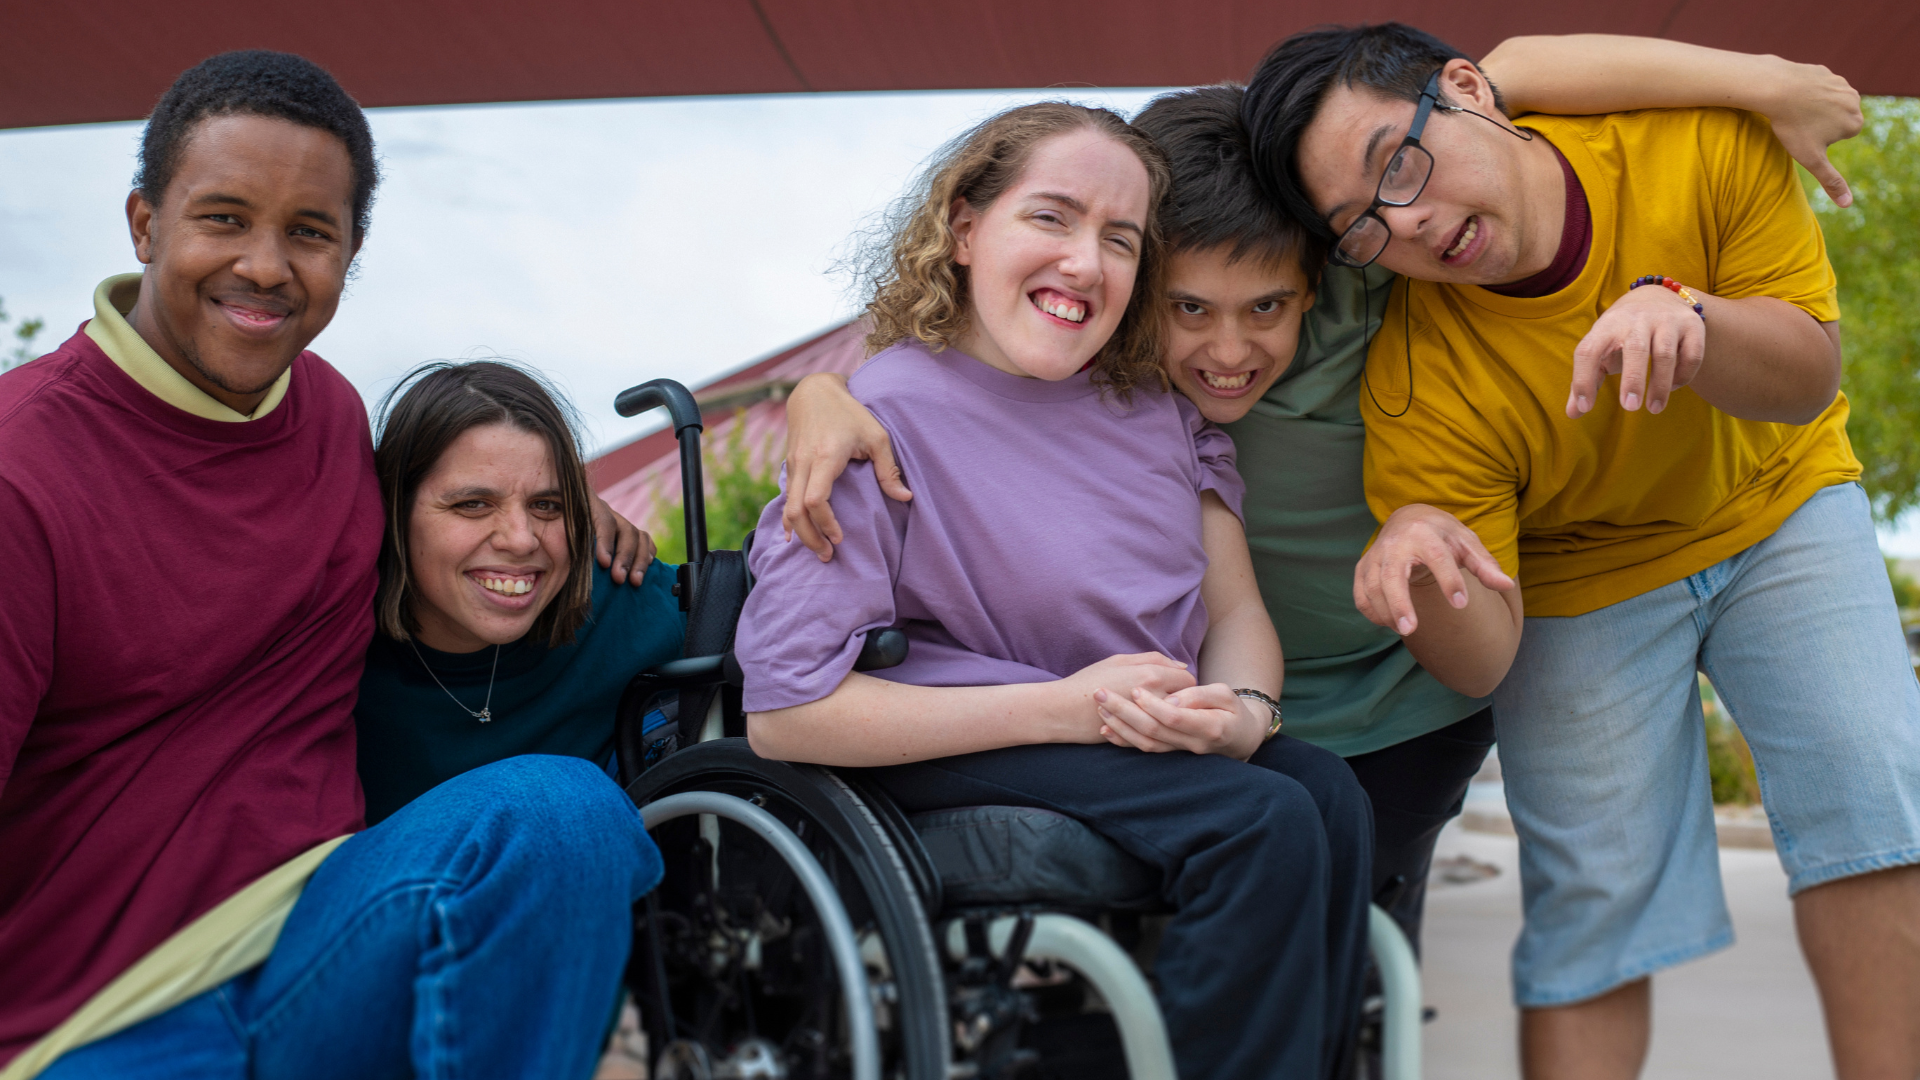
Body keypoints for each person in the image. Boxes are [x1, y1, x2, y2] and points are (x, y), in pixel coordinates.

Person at [774, 34, 1867, 957]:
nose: (1228, 350)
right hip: (1195, 707)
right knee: (1194, 946)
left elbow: (1515, 68)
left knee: (1359, 953)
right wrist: (822, 393)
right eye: (1186, 307)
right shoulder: (1109, 355)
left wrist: (1763, 82)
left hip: (1398, 703)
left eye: (1265, 308)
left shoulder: (1371, 266)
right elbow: (956, 329)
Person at [1242, 22, 1920, 1080]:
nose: (1411, 224)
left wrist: (1691, 319)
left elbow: (1809, 381)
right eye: (1365, 227)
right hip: (1578, 569)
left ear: (1467, 91)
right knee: (1590, 897)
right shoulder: (1421, 378)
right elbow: (1484, 660)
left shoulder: (1696, 146)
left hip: (1776, 500)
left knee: (1871, 796)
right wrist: (1426, 556)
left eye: (1400, 164)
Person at [0, 52, 658, 1080]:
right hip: (91, 1022)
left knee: (560, 814)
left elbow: (464, 527)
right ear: (144, 224)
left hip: (332, 937)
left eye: (310, 232)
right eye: (224, 218)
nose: (267, 265)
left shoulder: (331, 418)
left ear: (350, 254)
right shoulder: (22, 470)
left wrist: (578, 509)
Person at [735, 102, 1373, 1080]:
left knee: (1324, 793)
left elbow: (1238, 611)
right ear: (963, 228)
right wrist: (1068, 709)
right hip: (953, 736)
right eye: (1051, 217)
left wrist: (1246, 713)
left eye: (1119, 238)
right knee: (1260, 822)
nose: (1086, 261)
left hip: (1117, 737)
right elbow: (787, 714)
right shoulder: (880, 414)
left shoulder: (1158, 412)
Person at [354, 361, 684, 824]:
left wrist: (819, 395)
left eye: (547, 505)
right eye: (473, 504)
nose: (521, 538)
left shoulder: (626, 600)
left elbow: (791, 623)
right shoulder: (330, 646)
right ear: (393, 510)